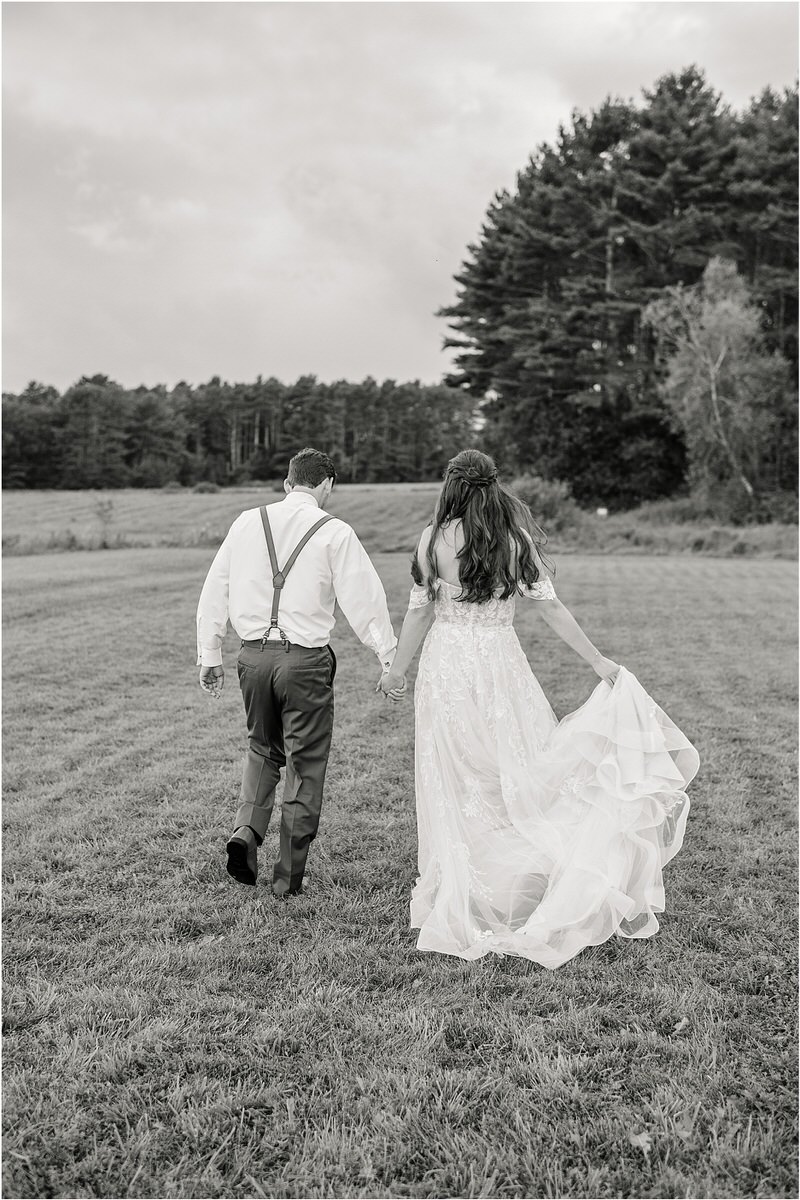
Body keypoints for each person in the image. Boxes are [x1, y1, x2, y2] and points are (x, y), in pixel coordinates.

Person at [378, 449, 699, 969]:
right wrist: (599, 664)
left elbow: (418, 614)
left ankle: (473, 879)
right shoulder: (513, 539)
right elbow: (549, 609)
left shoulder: (432, 537)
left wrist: (396, 671)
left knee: (456, 775)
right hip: (503, 664)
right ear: (492, 485)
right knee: (520, 768)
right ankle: (524, 876)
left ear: (452, 487)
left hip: (448, 668)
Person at [197, 447, 398, 897]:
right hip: (305, 661)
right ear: (327, 486)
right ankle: (287, 878)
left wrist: (209, 652)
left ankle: (246, 832)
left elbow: (216, 587)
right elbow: (364, 600)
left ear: (288, 483)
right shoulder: (335, 531)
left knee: (262, 749)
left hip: (252, 657)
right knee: (305, 764)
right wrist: (388, 658)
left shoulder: (247, 521)